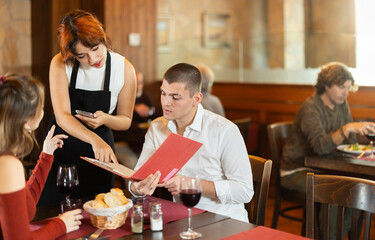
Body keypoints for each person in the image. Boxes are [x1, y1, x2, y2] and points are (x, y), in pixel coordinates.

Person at [129, 63, 253, 222]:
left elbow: (245, 191)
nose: (166, 102)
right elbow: (138, 176)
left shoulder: (225, 130)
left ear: (197, 98)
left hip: (225, 220)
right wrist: (136, 188)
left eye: (175, 97)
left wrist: (193, 184)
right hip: (181, 220)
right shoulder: (157, 128)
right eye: (163, 93)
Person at [39, 10, 136, 205]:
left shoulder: (123, 69)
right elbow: (62, 116)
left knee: (99, 213)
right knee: (51, 215)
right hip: (62, 149)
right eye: (82, 56)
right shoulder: (60, 62)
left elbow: (125, 120)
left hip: (100, 155)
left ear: (101, 35)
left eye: (95, 48)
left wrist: (105, 119)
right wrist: (94, 139)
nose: (92, 60)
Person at [281, 62, 375, 239]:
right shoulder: (311, 107)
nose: (345, 93)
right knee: (334, 191)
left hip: (323, 169)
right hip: (296, 171)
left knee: (359, 189)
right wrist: (346, 128)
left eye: (348, 88)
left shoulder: (342, 104)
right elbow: (319, 147)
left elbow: (351, 141)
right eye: (341, 87)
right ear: (326, 85)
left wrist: (355, 135)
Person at [0, 74, 83, 239]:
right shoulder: (7, 164)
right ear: (27, 120)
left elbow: (24, 203)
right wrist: (61, 225)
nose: (44, 111)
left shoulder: (7, 156)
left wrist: (46, 156)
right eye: (41, 107)